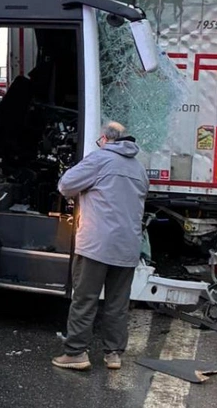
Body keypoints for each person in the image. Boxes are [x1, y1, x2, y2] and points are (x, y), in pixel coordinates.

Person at [52, 121, 148, 371]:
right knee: (117, 303)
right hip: (128, 245)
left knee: (85, 299)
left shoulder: (100, 158)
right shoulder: (139, 168)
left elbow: (65, 185)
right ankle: (113, 354)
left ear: (105, 139)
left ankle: (76, 353)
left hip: (97, 244)